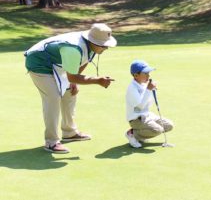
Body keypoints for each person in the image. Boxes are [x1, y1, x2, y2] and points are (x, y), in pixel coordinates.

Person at [24, 23, 117, 153]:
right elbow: (72, 77)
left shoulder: (93, 46)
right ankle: (51, 142)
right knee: (53, 97)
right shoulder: (74, 48)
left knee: (70, 93)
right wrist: (97, 80)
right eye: (103, 45)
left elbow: (84, 61)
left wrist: (75, 82)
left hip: (57, 63)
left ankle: (69, 132)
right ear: (93, 41)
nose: (106, 48)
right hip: (39, 63)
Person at [125, 60, 174, 148]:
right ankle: (132, 134)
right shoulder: (132, 88)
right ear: (136, 75)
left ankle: (143, 134)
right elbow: (139, 107)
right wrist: (148, 90)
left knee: (169, 125)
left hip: (147, 116)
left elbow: (148, 102)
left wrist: (151, 90)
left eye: (148, 73)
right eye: (145, 73)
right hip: (136, 119)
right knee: (158, 130)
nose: (149, 75)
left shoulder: (144, 84)